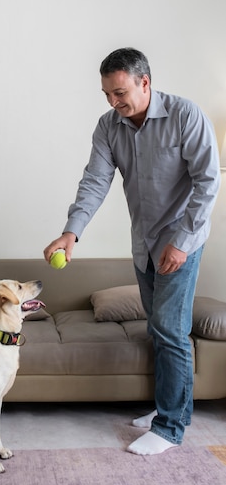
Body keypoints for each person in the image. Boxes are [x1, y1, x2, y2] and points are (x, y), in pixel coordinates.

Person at [44, 47, 221, 455]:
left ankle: (171, 426)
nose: (113, 102)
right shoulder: (109, 127)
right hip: (144, 244)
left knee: (171, 332)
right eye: (107, 94)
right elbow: (95, 181)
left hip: (182, 241)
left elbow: (207, 183)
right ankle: (166, 408)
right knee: (157, 331)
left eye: (120, 92)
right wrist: (71, 233)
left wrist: (181, 242)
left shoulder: (185, 116)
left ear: (145, 83)